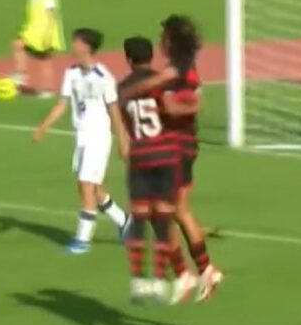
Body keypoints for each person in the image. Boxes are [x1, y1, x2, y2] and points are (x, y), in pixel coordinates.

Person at [118, 16, 223, 303]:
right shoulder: (179, 69)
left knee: (164, 211)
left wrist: (165, 104)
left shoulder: (179, 72)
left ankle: (188, 273)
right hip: (181, 147)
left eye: (164, 36)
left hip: (179, 148)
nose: (160, 41)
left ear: (171, 40)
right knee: (177, 211)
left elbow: (187, 104)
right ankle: (203, 271)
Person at [33, 28, 130, 254]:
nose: (72, 46)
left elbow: (114, 111)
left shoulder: (103, 77)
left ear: (86, 47)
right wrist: (43, 126)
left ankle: (83, 239)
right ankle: (124, 222)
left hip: (98, 136)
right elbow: (63, 103)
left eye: (76, 42)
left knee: (85, 185)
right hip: (81, 137)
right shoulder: (71, 73)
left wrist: (122, 140)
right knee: (93, 187)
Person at [117, 36, 192, 304]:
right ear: (152, 57)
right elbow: (171, 111)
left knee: (139, 219)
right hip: (166, 156)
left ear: (128, 59)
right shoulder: (163, 82)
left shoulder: (123, 87)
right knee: (163, 218)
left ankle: (138, 281)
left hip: (140, 156)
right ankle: (160, 282)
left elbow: (125, 124)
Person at [12, 0, 64, 98]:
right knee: (20, 46)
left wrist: (49, 35)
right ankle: (21, 76)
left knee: (43, 60)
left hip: (42, 34)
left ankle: (44, 87)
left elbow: (52, 15)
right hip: (32, 31)